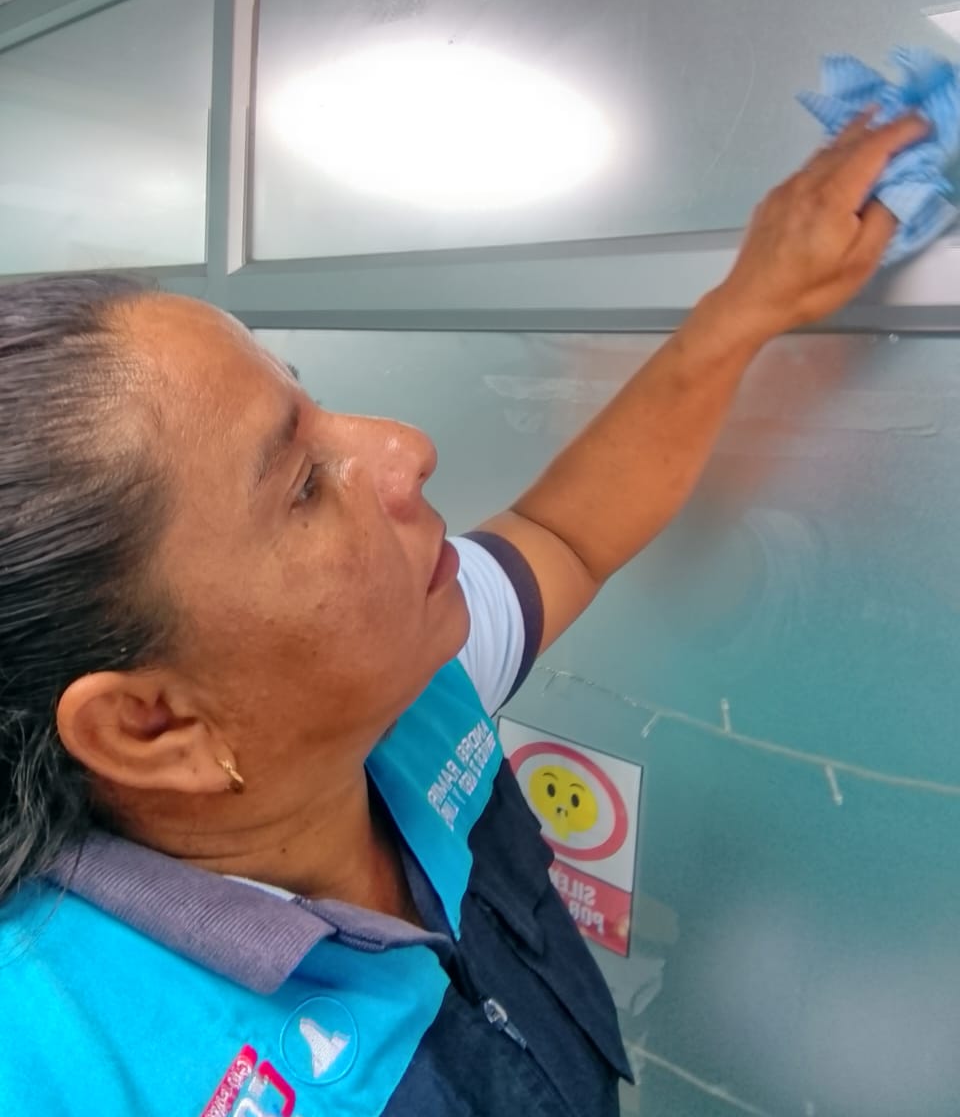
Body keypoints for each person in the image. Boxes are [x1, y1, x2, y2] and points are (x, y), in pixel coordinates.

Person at [0, 113, 925, 1116]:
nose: (408, 447)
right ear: (153, 723)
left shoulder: (403, 698)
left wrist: (752, 300)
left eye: (313, 402)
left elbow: (566, 532)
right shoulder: (66, 1066)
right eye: (304, 482)